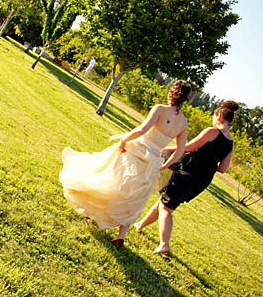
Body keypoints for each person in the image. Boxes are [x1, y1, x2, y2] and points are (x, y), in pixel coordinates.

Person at [60, 80, 191, 247]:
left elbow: (142, 130)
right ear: (185, 99)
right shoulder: (183, 123)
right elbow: (180, 151)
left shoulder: (160, 109)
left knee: (113, 179)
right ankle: (121, 234)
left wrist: (123, 139)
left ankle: (93, 209)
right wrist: (165, 165)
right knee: (135, 197)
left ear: (171, 92)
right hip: (154, 159)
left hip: (137, 150)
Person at [134, 100, 237, 254]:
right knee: (166, 201)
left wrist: (165, 148)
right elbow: (223, 169)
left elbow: (188, 147)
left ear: (219, 116)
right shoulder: (230, 143)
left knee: (166, 207)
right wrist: (209, 161)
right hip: (201, 181)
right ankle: (140, 225)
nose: (213, 120)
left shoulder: (212, 132)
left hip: (187, 173)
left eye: (213, 116)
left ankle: (164, 245)